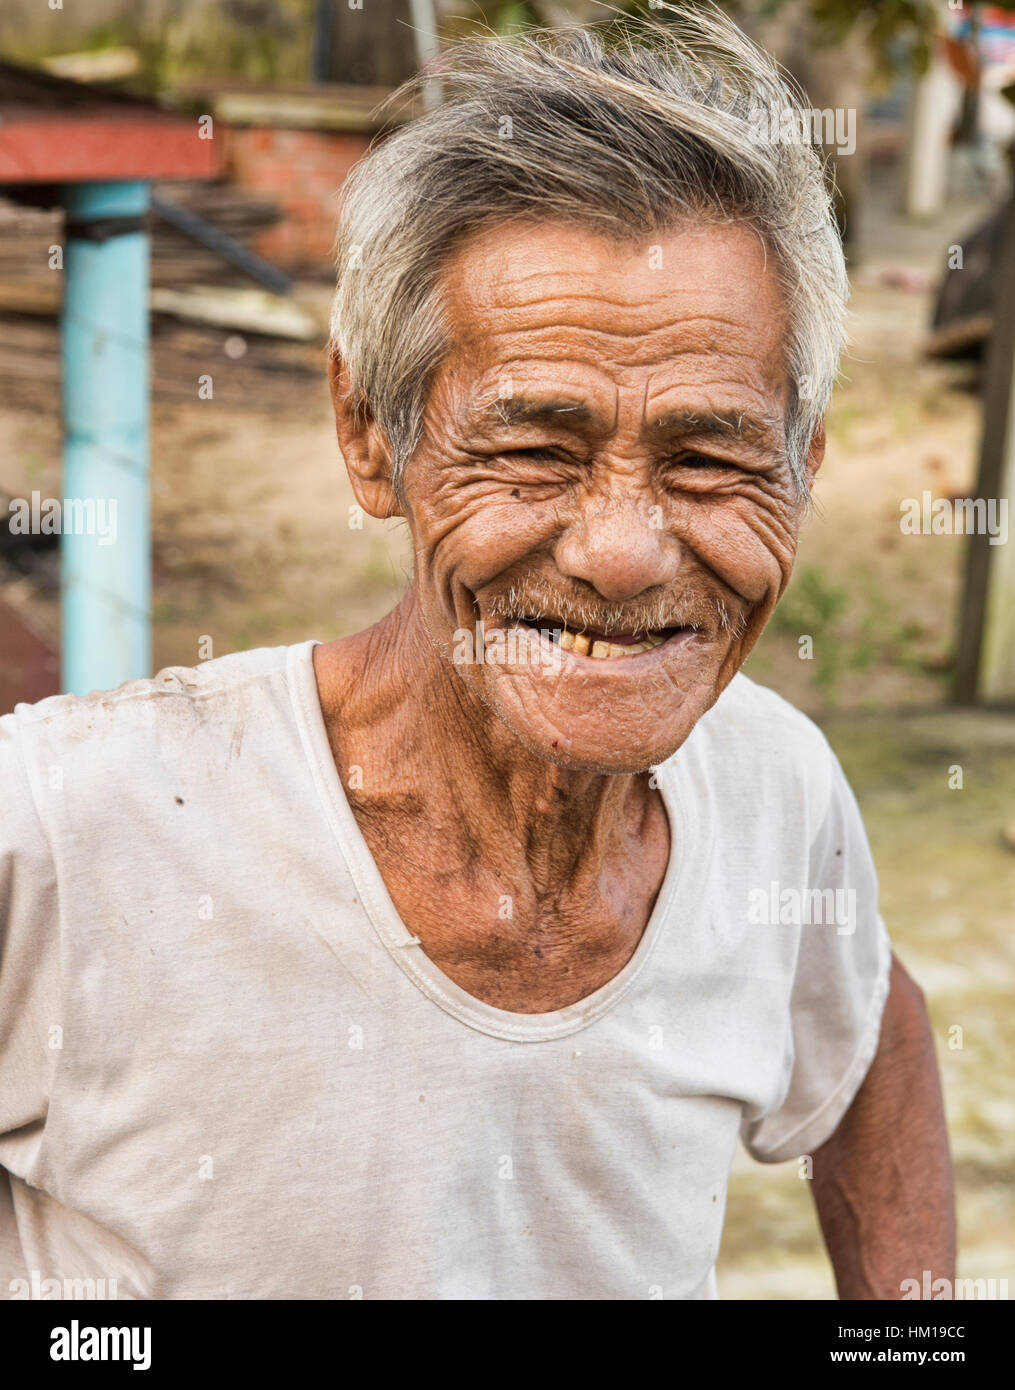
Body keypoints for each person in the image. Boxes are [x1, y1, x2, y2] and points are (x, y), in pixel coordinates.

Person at [0, 8, 953, 1300]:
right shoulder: (72, 830)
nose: (623, 551)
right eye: (534, 447)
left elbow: (876, 1042)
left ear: (805, 468)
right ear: (369, 435)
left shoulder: (777, 798)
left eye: (710, 457)